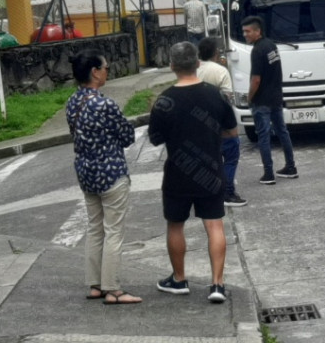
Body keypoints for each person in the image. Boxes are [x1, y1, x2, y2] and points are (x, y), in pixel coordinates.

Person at [148, 41, 238, 303]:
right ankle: (217, 285)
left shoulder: (164, 100)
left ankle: (179, 279)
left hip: (178, 173)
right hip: (211, 170)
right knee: (214, 224)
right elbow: (231, 131)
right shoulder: (215, 95)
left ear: (172, 66)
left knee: (175, 225)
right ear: (198, 63)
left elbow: (155, 139)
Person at [65, 49, 142, 306]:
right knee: (114, 232)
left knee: (95, 228)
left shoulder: (72, 103)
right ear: (95, 72)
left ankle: (95, 285)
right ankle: (113, 289)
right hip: (111, 173)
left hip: (86, 174)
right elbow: (128, 136)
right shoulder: (105, 104)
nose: (107, 71)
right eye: (106, 68)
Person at [242, 16, 297, 185]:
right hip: (275, 97)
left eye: (248, 31)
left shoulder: (257, 50)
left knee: (263, 137)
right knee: (282, 132)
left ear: (258, 31)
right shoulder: (271, 45)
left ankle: (268, 173)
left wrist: (249, 98)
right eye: (244, 31)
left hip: (262, 101)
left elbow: (256, 79)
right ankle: (291, 167)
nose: (245, 35)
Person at [197, 36, 246, 207]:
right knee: (231, 155)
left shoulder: (193, 70)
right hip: (220, 121)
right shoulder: (220, 71)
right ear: (216, 53)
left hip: (199, 122)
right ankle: (228, 192)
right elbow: (227, 98)